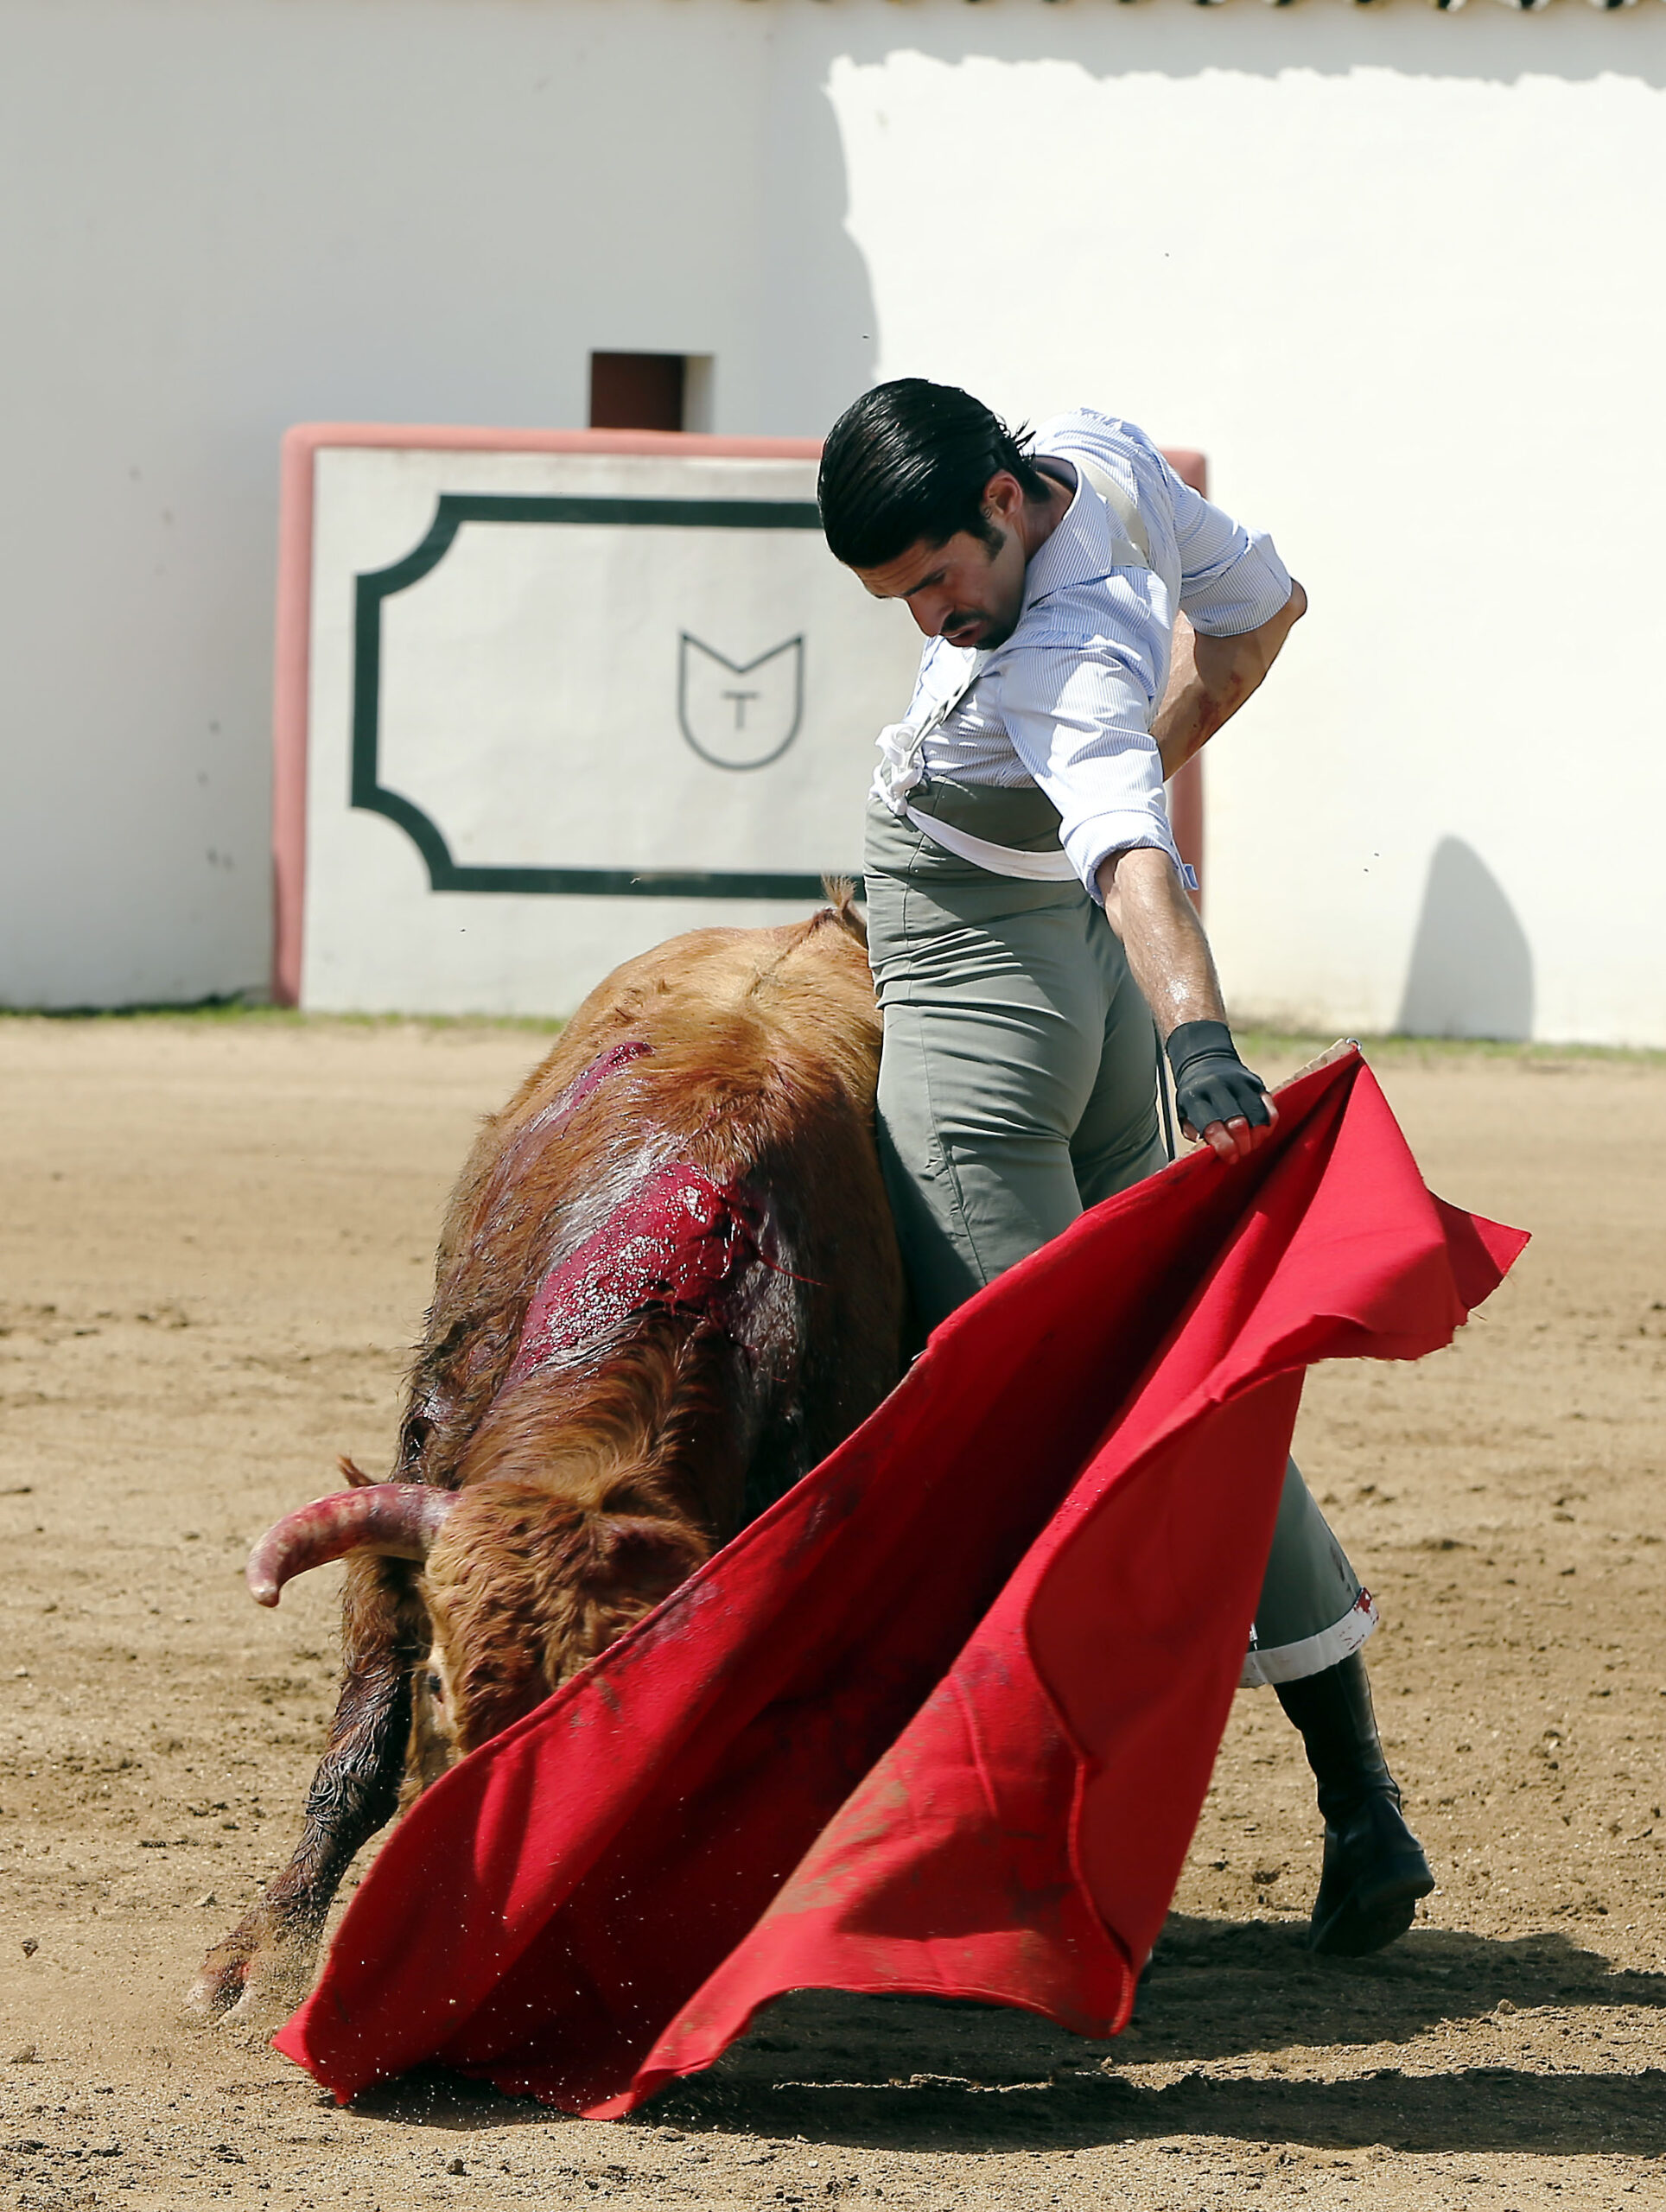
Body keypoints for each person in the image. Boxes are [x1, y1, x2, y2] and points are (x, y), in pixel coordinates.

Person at [818, 378, 1432, 1958]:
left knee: (1020, 1410)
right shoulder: (1098, 453)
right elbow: (1265, 606)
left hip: (991, 998)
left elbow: (1127, 851)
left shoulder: (1064, 657)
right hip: (1075, 978)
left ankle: (1030, 1848)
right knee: (1169, 1376)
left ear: (1003, 508)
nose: (939, 620)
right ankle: (1357, 1791)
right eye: (905, 602)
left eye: (942, 581)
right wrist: (1151, 768)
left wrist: (1200, 1038)